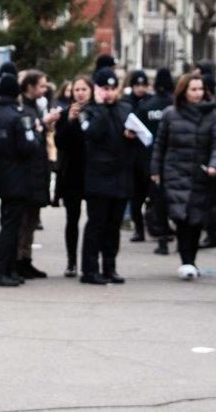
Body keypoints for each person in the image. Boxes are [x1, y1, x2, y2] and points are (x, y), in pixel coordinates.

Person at [150, 73, 216, 279]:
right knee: (181, 218)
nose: (197, 93)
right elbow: (160, 144)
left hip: (201, 173)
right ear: (183, 91)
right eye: (193, 89)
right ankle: (187, 261)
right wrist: (155, 170)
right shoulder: (170, 114)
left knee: (197, 218)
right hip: (175, 172)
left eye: (200, 89)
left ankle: (191, 259)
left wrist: (214, 165)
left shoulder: (211, 116)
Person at [79, 67, 139, 285]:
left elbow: (138, 139)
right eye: (105, 88)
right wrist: (102, 107)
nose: (110, 92)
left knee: (113, 227)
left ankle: (109, 267)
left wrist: (132, 136)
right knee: (97, 225)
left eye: (113, 88)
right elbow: (91, 134)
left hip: (120, 176)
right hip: (98, 177)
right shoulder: (90, 111)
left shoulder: (125, 108)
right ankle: (89, 269)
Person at [0, 74, 41, 287]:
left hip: (1, 175)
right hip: (18, 176)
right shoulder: (18, 117)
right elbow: (28, 147)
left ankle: (8, 270)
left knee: (8, 222)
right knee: (11, 227)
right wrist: (36, 135)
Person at [17, 71, 56, 278]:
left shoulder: (35, 107)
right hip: (27, 175)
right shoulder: (23, 108)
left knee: (31, 221)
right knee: (24, 222)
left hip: (37, 173)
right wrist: (42, 123)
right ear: (30, 87)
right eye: (41, 86)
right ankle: (19, 260)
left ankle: (26, 259)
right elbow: (26, 139)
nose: (44, 89)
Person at [54, 76, 93, 277]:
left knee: (95, 218)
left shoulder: (96, 112)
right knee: (72, 219)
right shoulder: (65, 114)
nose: (80, 93)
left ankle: (91, 261)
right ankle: (71, 261)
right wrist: (70, 120)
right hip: (72, 173)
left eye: (83, 89)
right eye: (76, 90)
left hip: (94, 171)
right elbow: (60, 142)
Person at [139, 69, 175, 256]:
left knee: (157, 200)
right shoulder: (176, 105)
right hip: (175, 160)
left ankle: (162, 238)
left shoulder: (147, 105)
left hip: (152, 158)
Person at [122, 70, 152, 242]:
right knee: (135, 196)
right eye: (137, 85)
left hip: (148, 154)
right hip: (133, 156)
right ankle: (138, 228)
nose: (140, 89)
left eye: (143, 85)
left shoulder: (150, 103)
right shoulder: (127, 104)